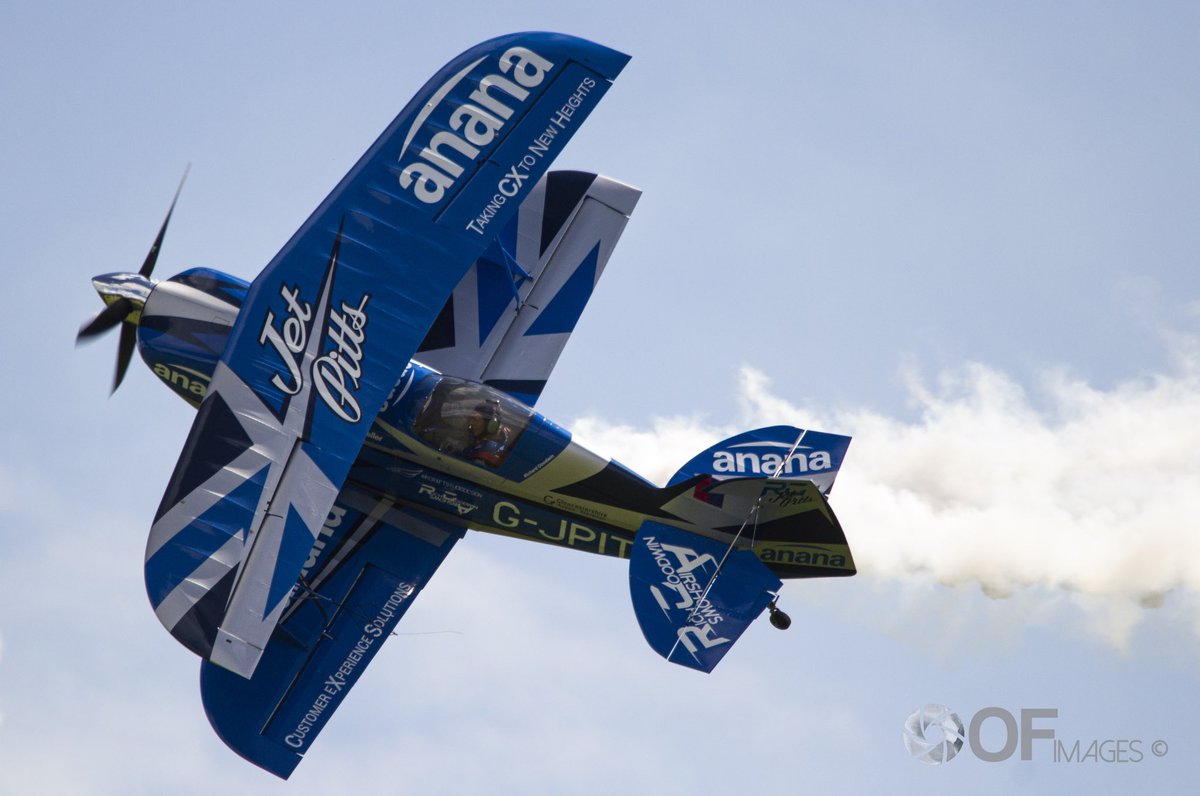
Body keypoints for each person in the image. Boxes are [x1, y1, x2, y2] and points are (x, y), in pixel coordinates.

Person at [465, 400, 510, 467]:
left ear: (491, 426)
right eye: (471, 418)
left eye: (475, 419)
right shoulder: (483, 445)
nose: (471, 423)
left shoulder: (485, 456)